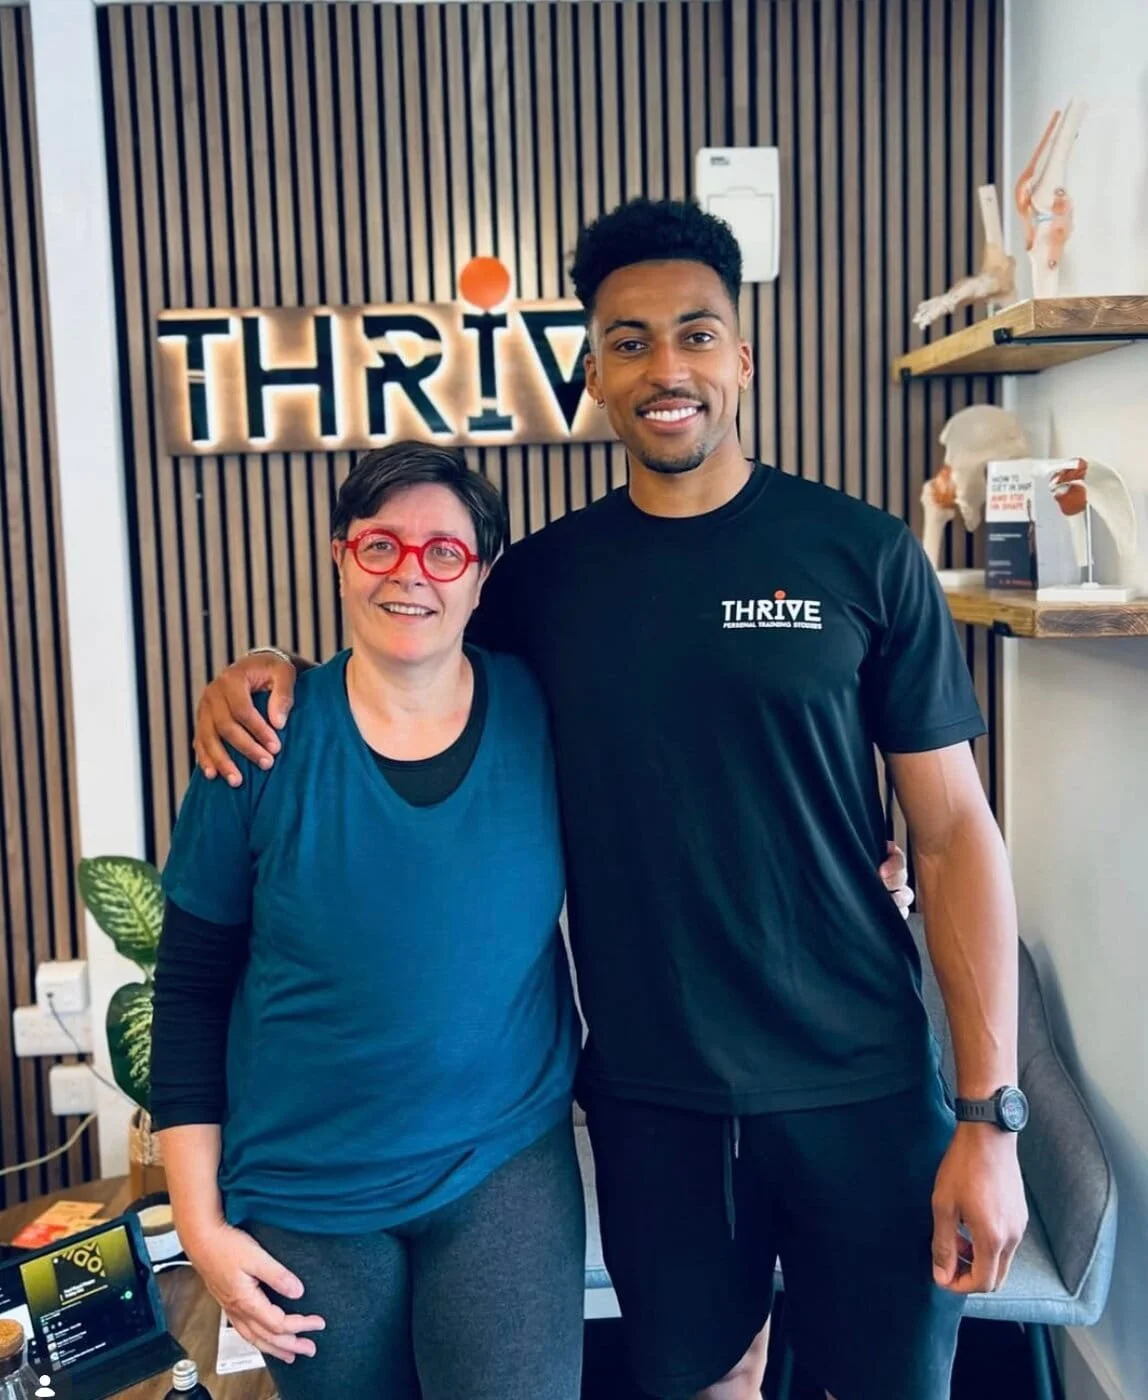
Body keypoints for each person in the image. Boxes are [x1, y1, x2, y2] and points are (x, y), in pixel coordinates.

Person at [192, 198, 1028, 1400]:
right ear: (594, 374)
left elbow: (950, 836)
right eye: (628, 341)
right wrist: (261, 671)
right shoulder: (539, 582)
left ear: (740, 357)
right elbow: (408, 649)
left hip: (860, 1081)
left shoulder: (859, 555)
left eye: (695, 333)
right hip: (653, 1098)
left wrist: (986, 1117)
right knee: (701, 1382)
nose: (664, 366)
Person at [150, 443, 586, 1400]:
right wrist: (200, 1228)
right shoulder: (261, 740)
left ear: (480, 577)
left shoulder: (543, 712)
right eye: (381, 546)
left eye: (443, 553)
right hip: (306, 1190)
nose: (409, 574)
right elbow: (185, 993)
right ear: (341, 556)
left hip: (499, 1164)